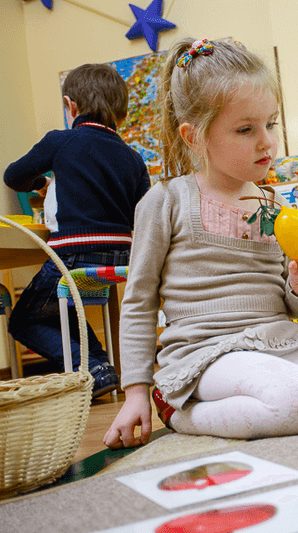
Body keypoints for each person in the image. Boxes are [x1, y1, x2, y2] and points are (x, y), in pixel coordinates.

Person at [103, 38, 298, 448]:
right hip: (206, 356)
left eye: (271, 123)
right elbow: (139, 301)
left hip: (279, 340)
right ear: (195, 137)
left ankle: (294, 401)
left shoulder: (274, 204)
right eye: (246, 129)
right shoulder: (166, 200)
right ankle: (182, 413)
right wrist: (136, 392)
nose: (267, 141)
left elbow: (292, 306)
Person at [4, 63, 150, 398]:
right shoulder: (132, 158)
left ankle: (90, 368)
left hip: (74, 251)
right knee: (63, 307)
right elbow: (145, 213)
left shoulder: (61, 141)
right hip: (121, 256)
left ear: (71, 106)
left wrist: (41, 184)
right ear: (123, 115)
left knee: (23, 321)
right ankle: (100, 366)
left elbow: (14, 176)